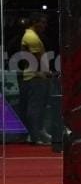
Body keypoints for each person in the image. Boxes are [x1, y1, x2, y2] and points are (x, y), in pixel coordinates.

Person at [19, 12, 52, 145]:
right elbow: (36, 60)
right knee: (35, 108)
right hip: (35, 77)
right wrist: (45, 72)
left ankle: (37, 133)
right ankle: (35, 136)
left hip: (34, 77)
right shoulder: (32, 37)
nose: (45, 25)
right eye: (42, 22)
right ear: (34, 22)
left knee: (38, 107)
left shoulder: (30, 35)